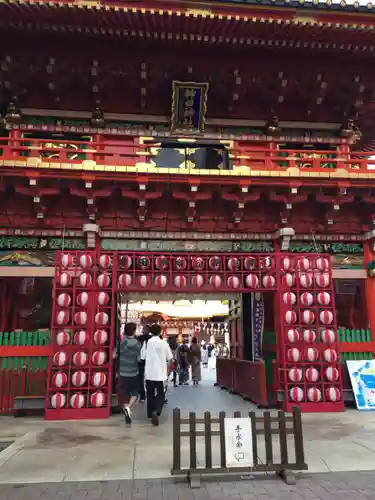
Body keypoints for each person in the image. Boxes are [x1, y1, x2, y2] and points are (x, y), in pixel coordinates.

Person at [141, 323, 173, 426]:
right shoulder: (164, 343)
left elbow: (142, 356)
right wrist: (168, 373)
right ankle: (157, 411)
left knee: (150, 394)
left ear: (151, 332)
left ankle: (150, 413)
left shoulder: (147, 342)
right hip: (161, 374)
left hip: (149, 373)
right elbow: (170, 359)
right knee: (161, 394)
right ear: (160, 332)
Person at [119, 322, 142, 424]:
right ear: (133, 331)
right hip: (133, 372)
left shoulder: (122, 343)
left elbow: (114, 355)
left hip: (122, 371)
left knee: (124, 394)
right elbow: (139, 359)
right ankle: (128, 407)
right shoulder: (138, 344)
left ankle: (126, 408)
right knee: (135, 393)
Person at [137, 324, 151, 402]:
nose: (143, 330)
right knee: (148, 378)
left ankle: (142, 396)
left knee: (141, 378)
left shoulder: (139, 338)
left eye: (144, 329)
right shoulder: (152, 339)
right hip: (149, 361)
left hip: (142, 361)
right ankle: (147, 395)